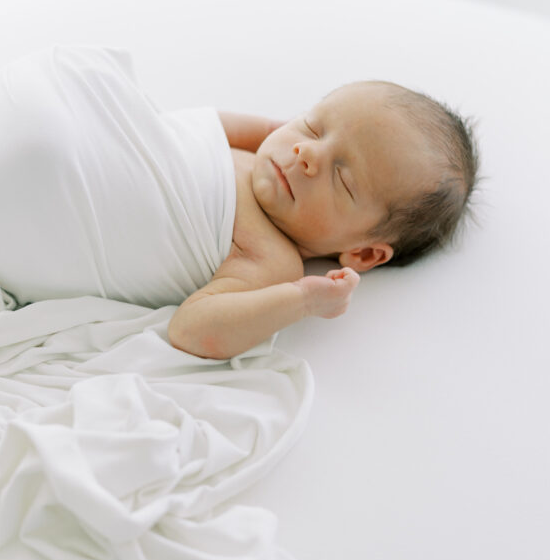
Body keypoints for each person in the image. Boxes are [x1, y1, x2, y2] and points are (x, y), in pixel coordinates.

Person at [168, 80, 479, 359]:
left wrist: (303, 300)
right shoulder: (254, 145)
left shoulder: (272, 259)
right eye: (312, 127)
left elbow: (190, 331)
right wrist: (267, 129)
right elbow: (177, 127)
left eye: (341, 178)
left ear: (364, 252)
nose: (307, 152)